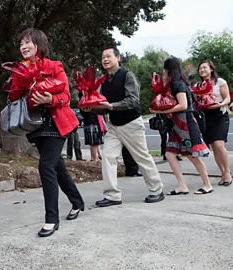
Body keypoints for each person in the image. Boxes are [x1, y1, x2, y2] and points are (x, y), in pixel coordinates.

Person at [8, 28, 85, 237]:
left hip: (57, 124)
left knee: (45, 167)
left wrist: (50, 100)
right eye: (21, 43)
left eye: (27, 42)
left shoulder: (54, 66)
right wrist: (21, 81)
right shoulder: (20, 70)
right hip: (36, 127)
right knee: (57, 167)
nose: (23, 47)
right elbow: (13, 97)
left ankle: (51, 219)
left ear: (38, 44)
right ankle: (77, 201)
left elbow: (67, 96)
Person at [86, 47, 165, 206]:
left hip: (131, 124)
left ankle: (157, 190)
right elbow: (104, 106)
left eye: (108, 56)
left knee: (141, 157)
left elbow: (133, 100)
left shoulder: (127, 75)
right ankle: (112, 195)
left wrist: (111, 106)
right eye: (103, 57)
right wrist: (91, 108)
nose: (105, 59)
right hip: (113, 126)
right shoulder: (104, 81)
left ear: (118, 58)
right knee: (108, 158)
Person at [150, 57, 213, 195]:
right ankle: (182, 185)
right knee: (170, 153)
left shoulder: (178, 84)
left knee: (192, 155)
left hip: (186, 123)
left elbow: (183, 105)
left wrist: (161, 110)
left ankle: (207, 184)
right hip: (178, 124)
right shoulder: (177, 83)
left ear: (167, 70)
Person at [197, 60, 232, 186]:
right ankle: (222, 172)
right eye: (200, 69)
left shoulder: (220, 82)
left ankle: (227, 172)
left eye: (204, 68)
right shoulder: (199, 85)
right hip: (207, 117)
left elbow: (227, 97)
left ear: (211, 69)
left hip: (220, 114)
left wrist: (221, 104)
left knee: (219, 145)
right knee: (213, 147)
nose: (202, 70)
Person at [79, 93, 105, 161]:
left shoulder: (82, 103)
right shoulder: (88, 103)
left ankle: (97, 156)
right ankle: (94, 158)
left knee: (96, 142)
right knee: (94, 143)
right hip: (92, 123)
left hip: (90, 123)